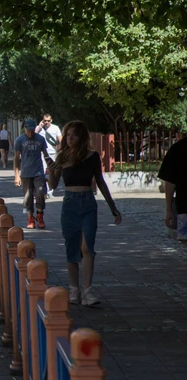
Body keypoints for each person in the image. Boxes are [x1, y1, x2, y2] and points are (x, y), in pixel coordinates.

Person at [46, 121, 121, 307]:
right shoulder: (62, 156)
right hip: (69, 203)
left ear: (82, 137)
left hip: (87, 203)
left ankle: (87, 291)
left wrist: (113, 207)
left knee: (87, 248)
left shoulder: (92, 156)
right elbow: (53, 185)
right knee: (72, 248)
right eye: (68, 135)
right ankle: (74, 289)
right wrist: (51, 172)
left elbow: (100, 182)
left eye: (74, 134)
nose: (70, 138)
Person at [13, 118, 49, 229]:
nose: (31, 132)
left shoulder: (40, 139)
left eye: (32, 130)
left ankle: (40, 215)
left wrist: (49, 169)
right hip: (26, 172)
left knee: (40, 194)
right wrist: (16, 176)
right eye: (28, 130)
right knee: (27, 197)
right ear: (25, 129)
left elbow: (46, 155)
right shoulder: (19, 140)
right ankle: (30, 218)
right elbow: (16, 158)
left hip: (38, 171)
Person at [158, 134, 187, 242]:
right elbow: (170, 182)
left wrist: (169, 210)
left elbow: (170, 183)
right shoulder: (177, 149)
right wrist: (169, 210)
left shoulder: (178, 148)